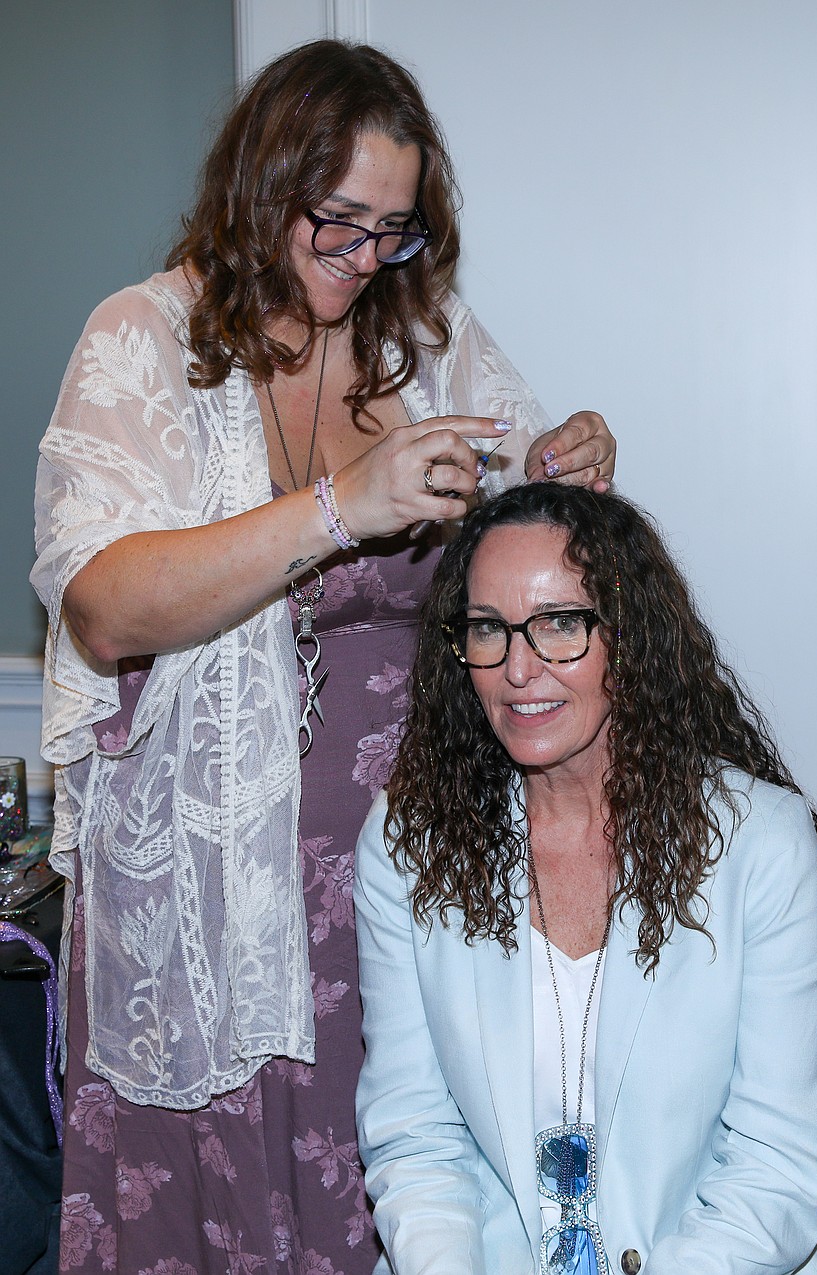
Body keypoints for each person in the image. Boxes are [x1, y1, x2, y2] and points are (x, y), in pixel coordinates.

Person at [30, 39, 616, 1275]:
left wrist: (564, 469)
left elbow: (517, 535)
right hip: (208, 886)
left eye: (393, 230)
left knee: (410, 1174)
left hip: (409, 865)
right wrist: (339, 509)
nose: (363, 257)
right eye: (336, 220)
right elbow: (104, 609)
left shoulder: (425, 341)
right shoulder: (145, 338)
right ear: (262, 184)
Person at [355, 481, 817, 1275]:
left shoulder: (759, 843)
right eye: (488, 628)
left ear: (630, 635)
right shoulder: (410, 840)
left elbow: (776, 1165)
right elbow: (416, 1137)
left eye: (560, 624)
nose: (519, 669)